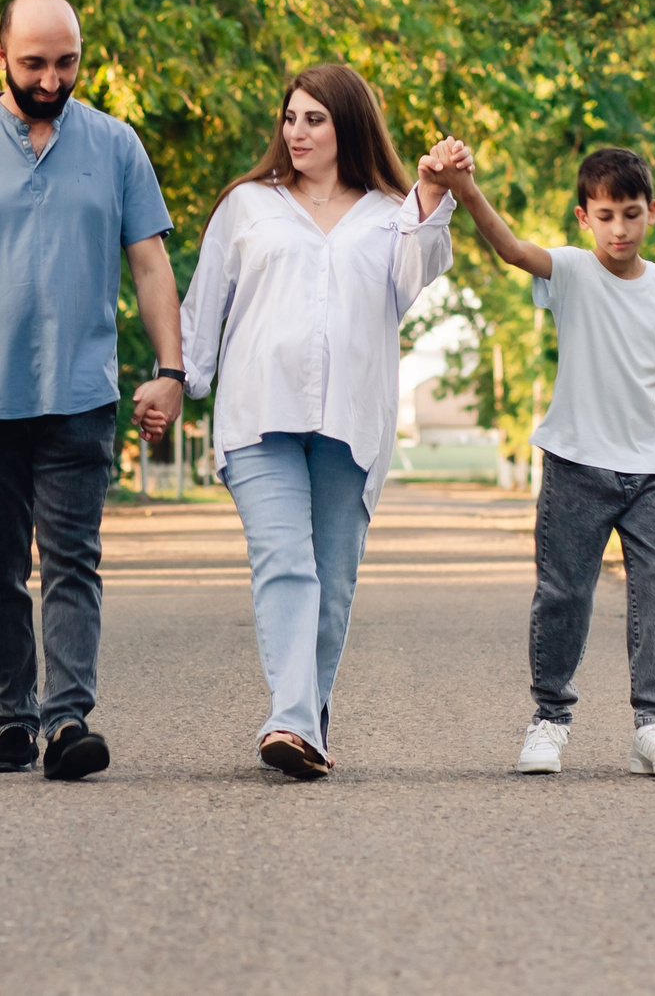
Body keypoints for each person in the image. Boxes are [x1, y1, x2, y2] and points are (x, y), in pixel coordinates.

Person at [0, 0, 184, 781]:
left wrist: (172, 371)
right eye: (34, 63)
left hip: (83, 394)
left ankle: (67, 719)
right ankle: (13, 717)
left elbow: (150, 265)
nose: (52, 79)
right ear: (2, 57)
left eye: (66, 62)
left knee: (73, 561)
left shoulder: (116, 146)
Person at [176, 65, 460, 779]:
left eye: (314, 120)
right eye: (290, 118)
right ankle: (291, 721)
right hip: (259, 411)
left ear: (348, 127)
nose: (295, 132)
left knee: (332, 585)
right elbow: (203, 304)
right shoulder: (248, 205)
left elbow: (413, 278)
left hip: (351, 418)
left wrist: (430, 193)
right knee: (287, 566)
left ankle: (304, 722)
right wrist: (180, 380)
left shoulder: (392, 211)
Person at [432, 144, 655, 778]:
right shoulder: (569, 271)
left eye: (630, 214)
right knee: (565, 595)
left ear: (651, 212)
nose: (618, 229)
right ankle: (549, 721)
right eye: (605, 215)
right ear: (582, 217)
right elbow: (512, 249)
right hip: (574, 464)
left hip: (647, 469)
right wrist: (462, 188)